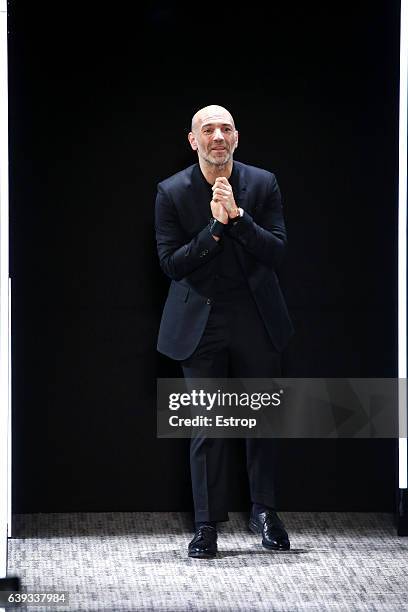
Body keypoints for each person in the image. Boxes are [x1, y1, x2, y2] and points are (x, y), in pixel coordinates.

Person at [155, 104, 294, 558]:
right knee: (206, 427)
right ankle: (205, 525)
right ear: (193, 140)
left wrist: (239, 218)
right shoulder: (172, 191)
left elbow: (276, 251)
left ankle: (265, 512)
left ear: (236, 138)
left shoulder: (262, 183)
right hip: (201, 322)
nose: (218, 135)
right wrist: (214, 228)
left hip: (256, 317)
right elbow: (172, 264)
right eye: (208, 129)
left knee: (262, 421)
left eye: (226, 129)